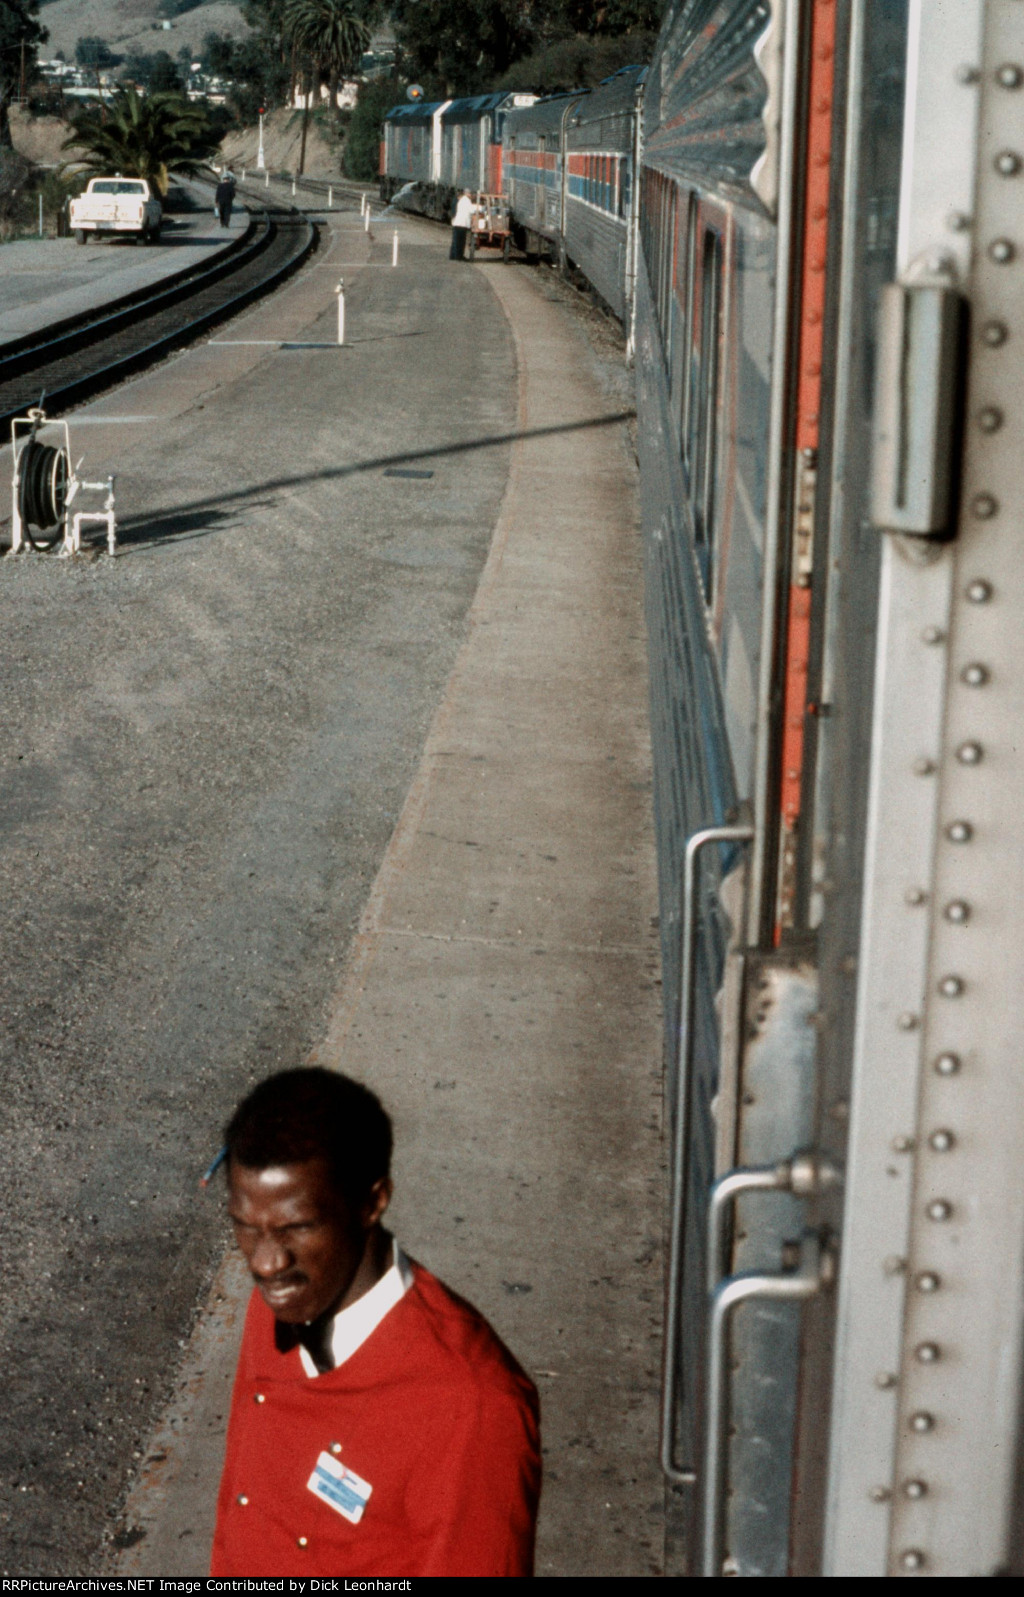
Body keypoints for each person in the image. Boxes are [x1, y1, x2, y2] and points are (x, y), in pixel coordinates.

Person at [211, 1068, 541, 1577]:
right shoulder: (282, 1300)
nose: (266, 1262)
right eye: (245, 1226)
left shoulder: (474, 1407)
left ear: (373, 1201)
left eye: (297, 1227)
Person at [449, 189, 478, 260]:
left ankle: (453, 256)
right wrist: (478, 208)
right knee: (460, 242)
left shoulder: (462, 200)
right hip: (462, 224)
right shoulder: (466, 201)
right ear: (467, 194)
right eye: (470, 194)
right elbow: (471, 210)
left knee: (455, 241)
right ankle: (459, 257)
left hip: (458, 223)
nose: (471, 195)